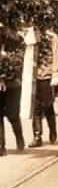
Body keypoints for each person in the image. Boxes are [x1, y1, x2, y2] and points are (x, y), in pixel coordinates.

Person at [29, 27, 58, 148]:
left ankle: (52, 129)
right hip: (33, 77)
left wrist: (56, 74)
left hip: (46, 76)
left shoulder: (52, 37)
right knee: (35, 107)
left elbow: (57, 56)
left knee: (47, 105)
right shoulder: (30, 35)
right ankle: (37, 136)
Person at [0, 28, 25, 156]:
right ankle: (0, 146)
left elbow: (19, 61)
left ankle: (19, 140)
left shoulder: (16, 41)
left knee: (13, 115)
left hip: (13, 84)